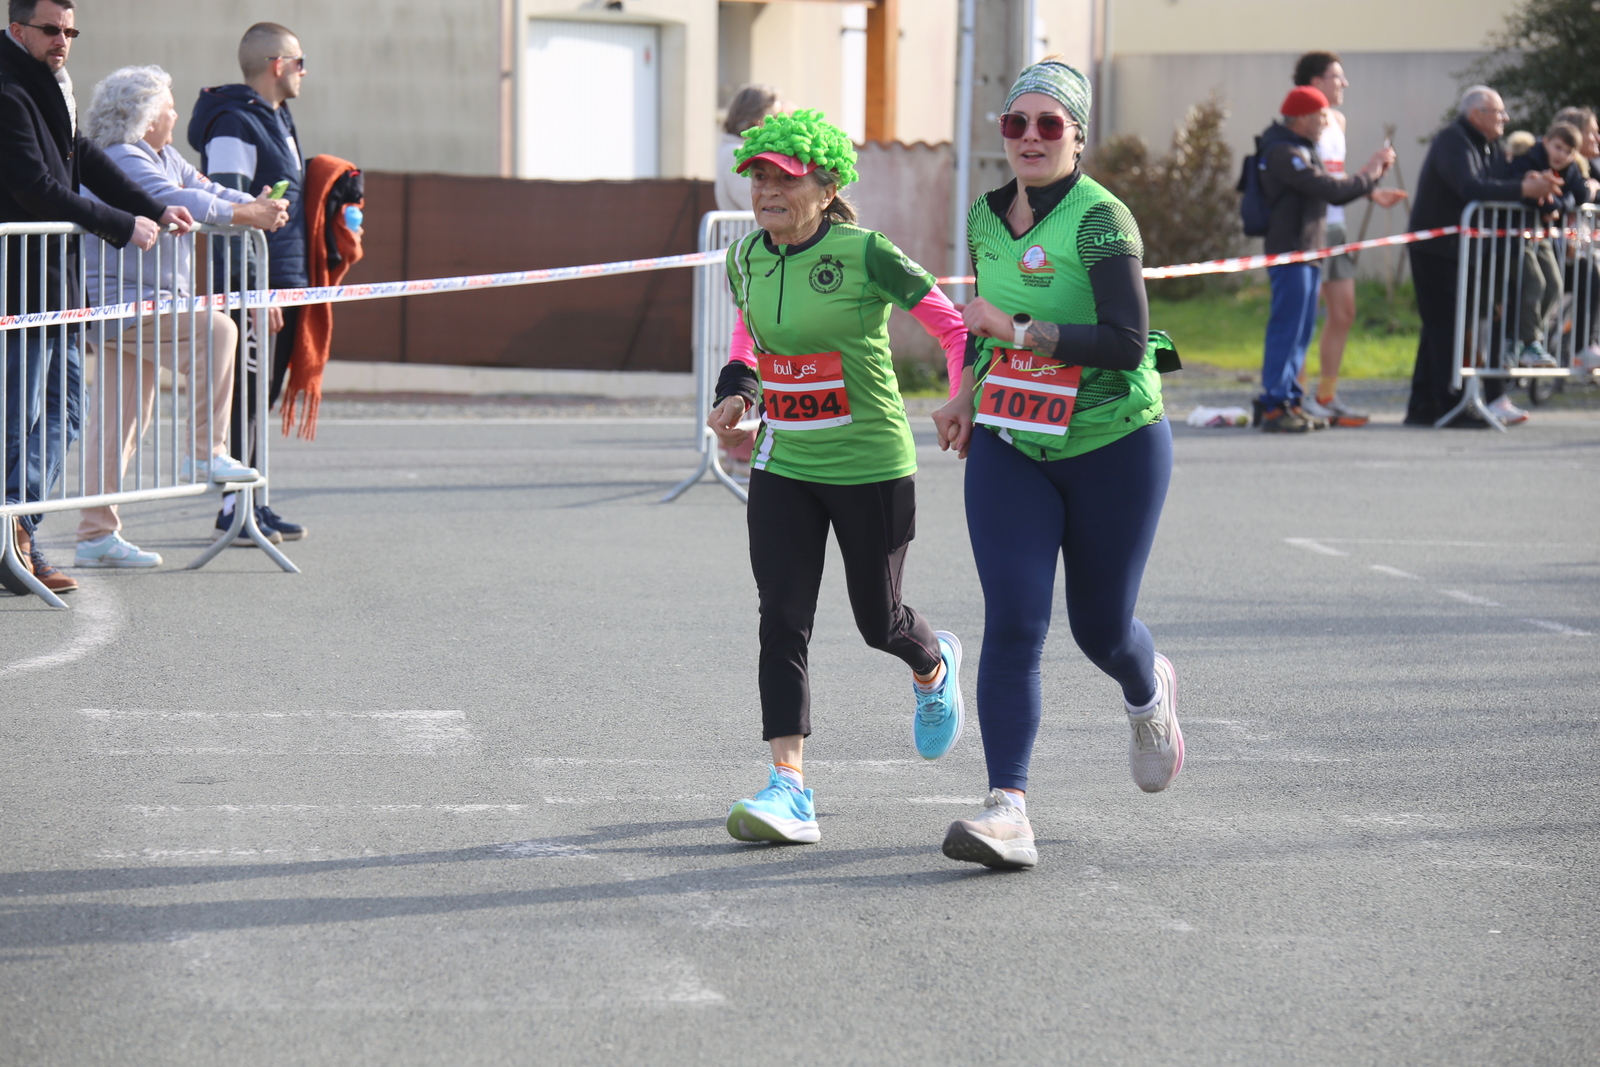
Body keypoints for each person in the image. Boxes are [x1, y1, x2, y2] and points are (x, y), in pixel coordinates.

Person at [929, 58, 1179, 870]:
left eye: (1048, 124)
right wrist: (967, 395)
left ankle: (1148, 690)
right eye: (1016, 123)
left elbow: (1127, 341)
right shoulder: (984, 215)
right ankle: (1008, 808)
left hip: (1115, 442)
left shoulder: (1101, 218)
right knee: (1014, 621)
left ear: (1078, 136)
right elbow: (979, 333)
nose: (1030, 137)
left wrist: (1021, 329)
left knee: (1100, 628)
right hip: (1013, 440)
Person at [705, 109, 969, 845]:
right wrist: (738, 395)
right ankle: (788, 787)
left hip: (869, 463)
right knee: (781, 617)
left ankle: (933, 664)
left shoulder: (867, 253)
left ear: (826, 189)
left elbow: (952, 327)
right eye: (758, 177)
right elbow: (749, 345)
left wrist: (961, 399)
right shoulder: (744, 259)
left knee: (877, 621)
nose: (767, 191)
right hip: (785, 462)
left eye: (784, 179)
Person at [0, 0, 191, 596]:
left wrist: (155, 207)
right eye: (50, 29)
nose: (63, 40)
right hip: (18, 285)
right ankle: (14, 543)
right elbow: (35, 188)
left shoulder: (52, 86)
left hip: (57, 286)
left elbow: (82, 155)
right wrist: (121, 225)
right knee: (16, 422)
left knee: (67, 410)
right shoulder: (8, 92)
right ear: (17, 29)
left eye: (70, 30)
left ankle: (17, 531)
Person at [73, 64, 289, 567]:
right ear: (148, 116)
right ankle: (205, 451)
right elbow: (175, 201)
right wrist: (248, 215)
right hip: (123, 304)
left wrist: (255, 205)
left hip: (147, 304)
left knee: (121, 421)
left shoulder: (164, 155)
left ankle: (94, 534)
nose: (175, 113)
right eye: (169, 106)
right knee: (217, 330)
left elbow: (207, 188)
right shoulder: (122, 155)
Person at [187, 20, 309, 542]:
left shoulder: (277, 116)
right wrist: (253, 292)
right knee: (246, 395)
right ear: (277, 65)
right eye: (299, 62)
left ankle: (255, 499)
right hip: (253, 285)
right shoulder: (234, 123)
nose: (304, 72)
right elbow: (230, 213)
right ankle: (234, 509)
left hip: (283, 279)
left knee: (263, 394)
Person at [1406, 86, 1562, 428]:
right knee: (1445, 327)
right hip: (1437, 249)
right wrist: (1523, 189)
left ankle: (1422, 406)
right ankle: (1452, 406)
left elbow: (1497, 182)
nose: (1506, 118)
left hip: (1463, 250)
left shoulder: (1489, 145)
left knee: (1441, 327)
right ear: (1477, 114)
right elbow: (1470, 186)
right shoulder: (1453, 140)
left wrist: (1528, 182)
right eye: (1499, 112)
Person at [1253, 85, 1399, 433]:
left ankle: (1292, 400)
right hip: (1291, 252)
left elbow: (1334, 188)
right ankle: (1274, 405)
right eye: (1321, 116)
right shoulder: (1283, 151)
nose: (1326, 122)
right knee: (1287, 329)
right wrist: (1371, 172)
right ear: (1302, 118)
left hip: (1310, 251)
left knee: (1302, 331)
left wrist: (1370, 180)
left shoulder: (1302, 148)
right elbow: (1329, 190)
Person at [1293, 52, 1407, 427]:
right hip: (1310, 230)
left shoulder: (1338, 121)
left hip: (1336, 228)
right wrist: (1369, 176)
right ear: (1315, 81)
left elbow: (1335, 178)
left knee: (1344, 313)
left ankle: (1326, 397)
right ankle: (1295, 396)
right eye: (1336, 77)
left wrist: (1372, 190)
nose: (1344, 84)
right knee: (1303, 316)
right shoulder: (1300, 119)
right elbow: (1311, 180)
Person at [1505, 122, 1585, 382]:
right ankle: (1526, 341)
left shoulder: (1571, 168)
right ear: (1546, 142)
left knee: (1554, 285)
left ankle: (1529, 340)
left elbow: (1579, 193)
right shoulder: (1527, 157)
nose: (1561, 155)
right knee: (1535, 282)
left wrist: (1557, 203)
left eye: (1568, 151)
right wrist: (1548, 201)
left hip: (1539, 234)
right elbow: (1525, 192)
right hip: (1514, 234)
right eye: (1558, 147)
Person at [714, 84, 781, 213]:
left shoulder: (731, 149)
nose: (779, 124)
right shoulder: (735, 153)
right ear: (756, 119)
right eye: (774, 117)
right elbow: (761, 203)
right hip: (749, 226)